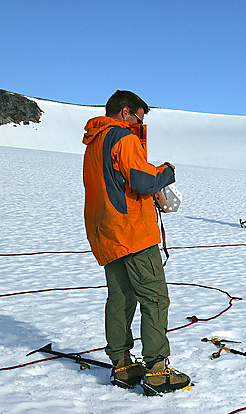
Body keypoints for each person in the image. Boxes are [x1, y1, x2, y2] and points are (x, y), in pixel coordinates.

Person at [82, 90, 191, 396]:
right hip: (132, 232)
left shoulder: (94, 143)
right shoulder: (123, 137)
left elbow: (119, 182)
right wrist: (166, 172)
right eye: (140, 116)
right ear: (127, 111)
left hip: (106, 231)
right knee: (155, 298)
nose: (140, 123)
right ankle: (157, 370)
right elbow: (142, 180)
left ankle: (122, 364)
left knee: (121, 298)